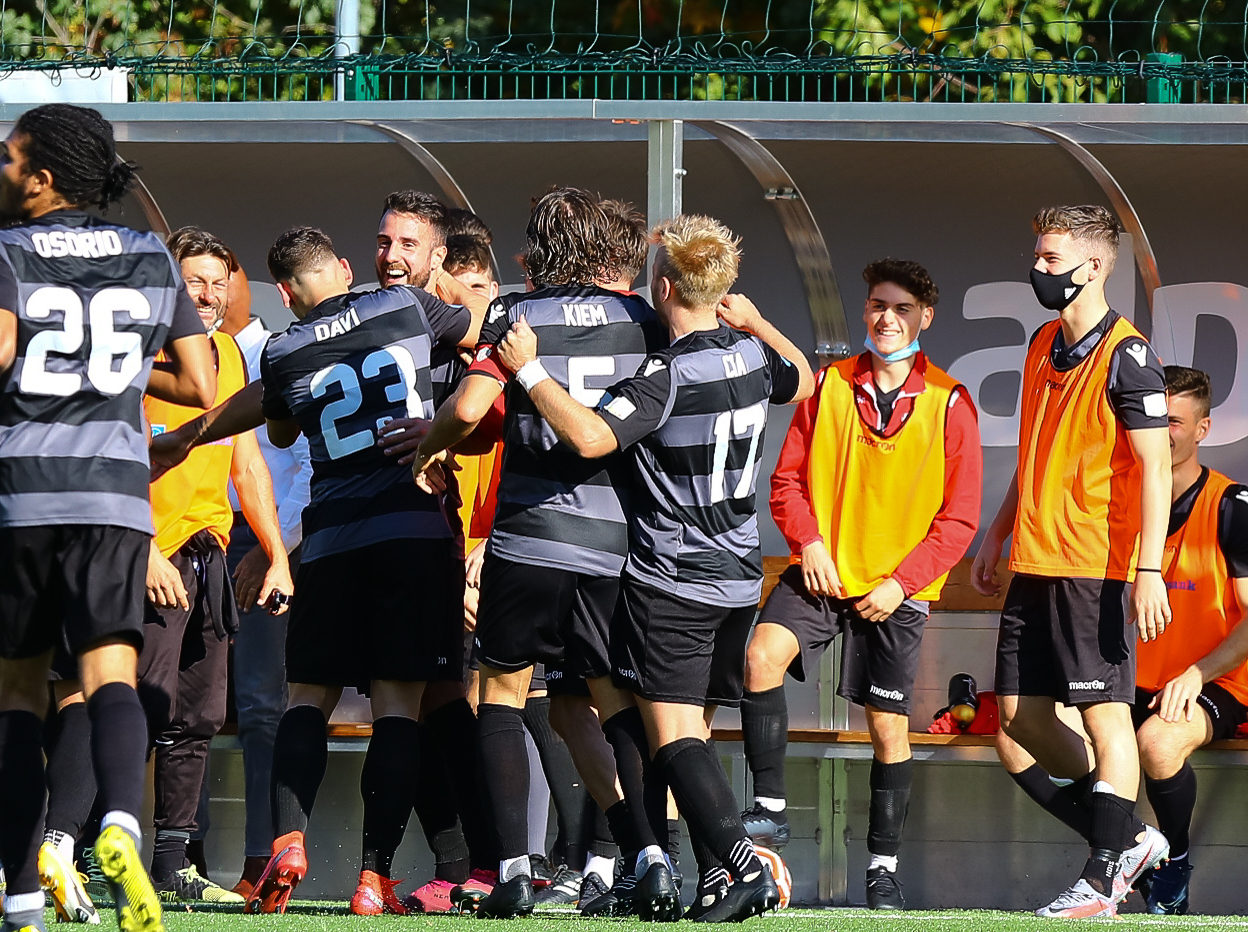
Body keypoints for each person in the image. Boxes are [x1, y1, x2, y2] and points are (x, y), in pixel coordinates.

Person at [494, 213, 814, 922]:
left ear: (664, 287)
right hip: (738, 577)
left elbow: (588, 437)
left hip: (678, 578)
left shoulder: (667, 375)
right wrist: (757, 322)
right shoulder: (750, 354)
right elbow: (805, 380)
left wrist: (531, 370)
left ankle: (742, 867)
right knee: (689, 733)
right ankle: (713, 880)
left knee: (672, 740)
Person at [411, 187, 665, 920]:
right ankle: (648, 854)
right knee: (611, 704)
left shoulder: (517, 314)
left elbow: (468, 408)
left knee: (501, 695)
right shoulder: (641, 318)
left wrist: (427, 448)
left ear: (542, 248)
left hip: (528, 541)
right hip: (611, 544)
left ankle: (515, 871)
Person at [0, 103, 216, 932]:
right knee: (111, 678)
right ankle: (122, 820)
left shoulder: (9, 250)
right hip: (117, 501)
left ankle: (21, 899)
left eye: (10, 157)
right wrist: (112, 370)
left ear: (44, 176)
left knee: (19, 693)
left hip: (26, 493)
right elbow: (198, 383)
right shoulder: (150, 254)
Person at [243, 227, 483, 916]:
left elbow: (282, 430)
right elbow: (476, 333)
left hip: (330, 541)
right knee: (397, 708)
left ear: (285, 293)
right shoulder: (404, 306)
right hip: (411, 530)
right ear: (346, 268)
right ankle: (373, 880)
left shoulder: (282, 348)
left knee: (305, 700)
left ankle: (289, 841)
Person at [739, 259, 982, 910]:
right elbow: (786, 482)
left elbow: (959, 519)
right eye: (878, 305)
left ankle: (882, 868)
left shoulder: (950, 401)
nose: (886, 318)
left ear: (925, 317)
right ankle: (769, 811)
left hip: (895, 592)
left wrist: (903, 584)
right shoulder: (828, 385)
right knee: (760, 657)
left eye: (902, 308)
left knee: (887, 729)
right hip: (824, 572)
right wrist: (809, 543)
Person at [972, 205, 1173, 919]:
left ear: (1093, 267)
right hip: (1034, 561)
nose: (1038, 268)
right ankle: (1128, 837)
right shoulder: (1040, 343)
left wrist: (1148, 570)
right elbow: (1034, 452)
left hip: (1096, 565)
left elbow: (1156, 469)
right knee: (1020, 719)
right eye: (1038, 255)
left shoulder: (1129, 355)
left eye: (1051, 259)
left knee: (1105, 718)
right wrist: (997, 533)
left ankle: (1102, 876)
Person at [998, 366, 1248, 916]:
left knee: (1157, 743)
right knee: (1015, 736)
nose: (1161, 432)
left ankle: (1172, 862)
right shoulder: (1116, 498)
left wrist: (1197, 674)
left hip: (1216, 682)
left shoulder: (1232, 505)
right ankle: (1133, 843)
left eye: (1174, 422)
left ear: (1203, 429)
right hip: (1130, 676)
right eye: (1154, 420)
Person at [214, 264, 314, 898]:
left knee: (258, 707)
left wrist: (275, 546)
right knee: (184, 704)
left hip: (264, 544)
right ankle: (179, 853)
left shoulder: (274, 355)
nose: (207, 294)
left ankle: (261, 857)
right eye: (190, 281)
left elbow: (306, 465)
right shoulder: (181, 361)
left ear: (244, 284)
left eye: (219, 279)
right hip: (197, 539)